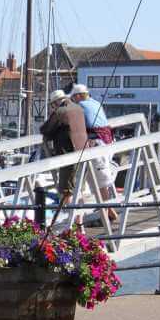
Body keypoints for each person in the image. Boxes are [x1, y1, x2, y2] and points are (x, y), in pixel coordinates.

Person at [40, 89, 88, 230]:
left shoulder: (61, 112)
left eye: (52, 105)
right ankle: (80, 223)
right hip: (83, 153)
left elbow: (46, 129)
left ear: (56, 102)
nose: (52, 108)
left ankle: (73, 224)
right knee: (79, 190)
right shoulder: (77, 108)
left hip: (69, 156)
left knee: (66, 191)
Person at [71, 84, 118, 221]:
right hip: (107, 143)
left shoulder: (80, 107)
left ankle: (107, 210)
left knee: (91, 182)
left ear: (79, 96)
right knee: (100, 181)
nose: (73, 100)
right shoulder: (96, 103)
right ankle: (108, 210)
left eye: (74, 97)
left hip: (96, 146)